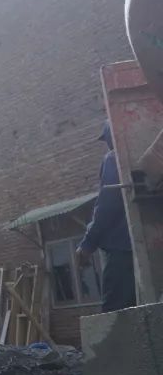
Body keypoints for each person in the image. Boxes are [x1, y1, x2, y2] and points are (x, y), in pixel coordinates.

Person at [77, 123, 135, 312]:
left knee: (117, 313)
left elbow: (107, 205)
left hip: (122, 249)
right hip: (148, 243)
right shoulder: (145, 156)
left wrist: (87, 244)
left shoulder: (114, 158)